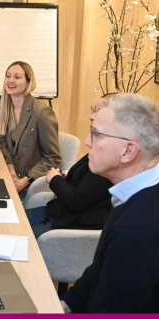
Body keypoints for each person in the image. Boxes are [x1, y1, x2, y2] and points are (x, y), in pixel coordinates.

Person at [61, 93, 159, 313]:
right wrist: (64, 305)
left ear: (128, 151)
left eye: (96, 134)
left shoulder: (139, 230)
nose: (87, 141)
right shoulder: (158, 188)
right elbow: (100, 268)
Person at [25, 95, 114, 240]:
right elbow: (88, 185)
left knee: (14, 233)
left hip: (70, 224)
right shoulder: (102, 145)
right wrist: (65, 177)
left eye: (98, 112)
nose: (91, 116)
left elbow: (77, 201)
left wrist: (55, 180)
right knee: (11, 220)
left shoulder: (108, 156)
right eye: (93, 110)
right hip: (58, 212)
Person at [0, 61, 62, 198]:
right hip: (10, 175)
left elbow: (53, 158)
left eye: (17, 77)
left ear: (28, 83)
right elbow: (3, 143)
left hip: (31, 184)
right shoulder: (4, 109)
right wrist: (11, 170)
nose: (10, 80)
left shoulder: (42, 113)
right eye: (8, 76)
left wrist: (25, 180)